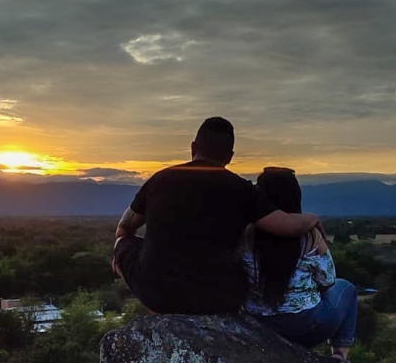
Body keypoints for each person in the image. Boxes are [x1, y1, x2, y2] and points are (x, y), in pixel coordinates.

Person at [112, 118, 322, 314]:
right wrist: (313, 218)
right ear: (230, 157)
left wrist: (128, 255)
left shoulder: (159, 180)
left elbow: (124, 227)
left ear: (193, 147)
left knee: (124, 242)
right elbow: (287, 226)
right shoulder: (242, 189)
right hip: (220, 299)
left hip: (157, 296)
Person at [241, 167, 357, 358]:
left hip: (257, 322)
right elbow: (328, 280)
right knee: (347, 288)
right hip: (304, 325)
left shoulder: (245, 234)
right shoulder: (310, 235)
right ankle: (340, 356)